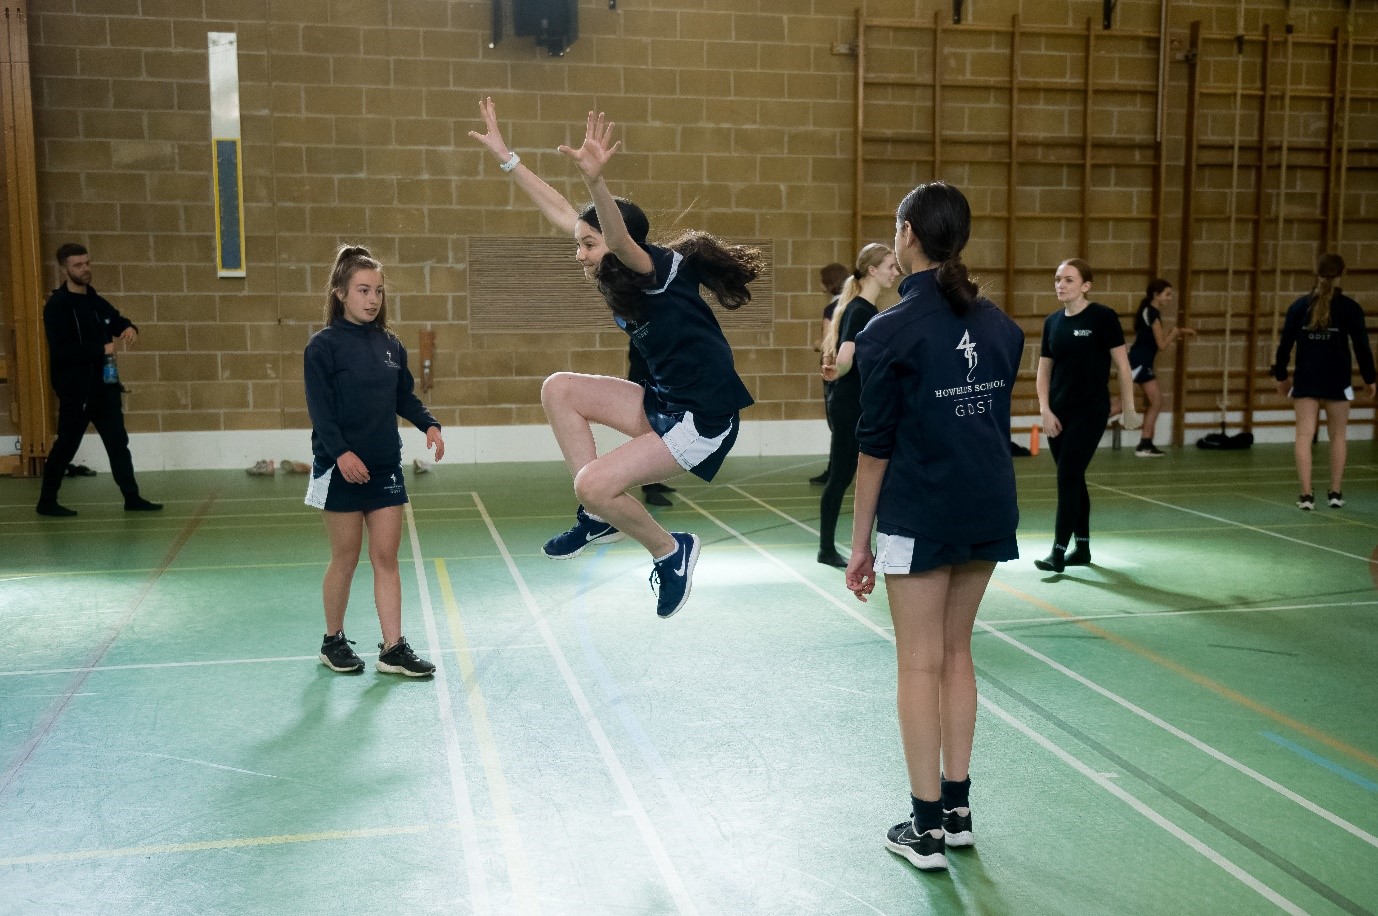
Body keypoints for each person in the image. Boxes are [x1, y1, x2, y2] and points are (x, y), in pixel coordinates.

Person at [469, 99, 762, 618]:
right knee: (559, 388)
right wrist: (507, 158)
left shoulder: (651, 269)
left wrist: (596, 183)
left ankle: (672, 551)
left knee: (594, 482)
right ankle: (597, 514)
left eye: (587, 245)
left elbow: (618, 237)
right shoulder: (611, 269)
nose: (577, 252)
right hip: (665, 402)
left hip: (703, 419)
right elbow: (562, 210)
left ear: (612, 242)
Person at [845, 181, 1023, 873]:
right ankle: (957, 811)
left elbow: (873, 451)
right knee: (957, 653)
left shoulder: (886, 332)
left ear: (908, 234)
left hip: (921, 513)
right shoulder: (1001, 326)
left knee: (919, 661)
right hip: (987, 507)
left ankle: (922, 829)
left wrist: (859, 545)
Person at [305, 245, 445, 676]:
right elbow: (321, 412)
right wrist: (341, 454)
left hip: (385, 467)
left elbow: (403, 395)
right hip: (339, 467)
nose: (372, 299)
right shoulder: (322, 347)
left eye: (378, 291)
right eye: (363, 290)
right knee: (345, 556)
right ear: (340, 293)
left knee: (386, 557)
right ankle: (333, 641)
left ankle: (393, 647)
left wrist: (429, 424)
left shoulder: (390, 345)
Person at [36, 243, 162, 517]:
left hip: (105, 387)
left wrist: (129, 327)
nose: (85, 269)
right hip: (76, 391)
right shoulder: (57, 306)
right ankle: (46, 501)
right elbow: (62, 350)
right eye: (78, 265)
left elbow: (115, 319)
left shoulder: (94, 300)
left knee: (118, 443)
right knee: (66, 445)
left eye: (87, 263)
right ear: (64, 269)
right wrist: (99, 349)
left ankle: (132, 496)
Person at [1033, 259, 1141, 573]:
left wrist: (1129, 408)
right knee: (1074, 478)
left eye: (1068, 280)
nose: (1060, 285)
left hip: (1091, 412)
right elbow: (1043, 371)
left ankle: (1057, 551)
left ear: (1085, 286)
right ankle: (1082, 548)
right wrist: (1045, 410)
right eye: (1057, 280)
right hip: (1058, 414)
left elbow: (1122, 366)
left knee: (1067, 475)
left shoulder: (1103, 317)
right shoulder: (1052, 322)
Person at [817, 244, 899, 567]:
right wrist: (839, 369)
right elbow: (846, 355)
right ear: (873, 270)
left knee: (852, 474)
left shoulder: (862, 307)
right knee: (840, 476)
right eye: (890, 266)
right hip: (851, 405)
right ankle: (826, 548)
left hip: (856, 404)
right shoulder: (861, 310)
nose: (895, 272)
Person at [1272, 253, 1375, 510]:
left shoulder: (1299, 307)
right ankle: (1336, 492)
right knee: (1338, 435)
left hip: (1307, 380)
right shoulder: (1350, 308)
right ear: (1342, 274)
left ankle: (1306, 495)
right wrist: (1370, 378)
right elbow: (1362, 347)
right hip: (1337, 380)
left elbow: (1284, 345)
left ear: (1315, 273)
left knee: (1303, 435)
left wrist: (1281, 376)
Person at [1125, 279, 1194, 457]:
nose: (1170, 298)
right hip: (1138, 362)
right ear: (1156, 295)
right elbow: (1162, 345)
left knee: (1156, 401)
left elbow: (1157, 338)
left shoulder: (1151, 312)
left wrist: (1179, 332)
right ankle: (1081, 424)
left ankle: (1145, 444)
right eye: (1167, 294)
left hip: (1143, 362)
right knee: (1121, 404)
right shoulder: (1152, 313)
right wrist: (1175, 332)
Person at [809, 262, 849, 485]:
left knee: (836, 423)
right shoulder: (855, 305)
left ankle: (835, 471)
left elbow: (827, 344)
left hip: (834, 371)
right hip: (852, 369)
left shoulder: (832, 310)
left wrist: (816, 343)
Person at [628, 340, 676, 507]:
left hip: (656, 385)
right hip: (645, 385)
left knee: (659, 438)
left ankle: (654, 482)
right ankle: (650, 489)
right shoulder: (644, 327)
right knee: (648, 438)